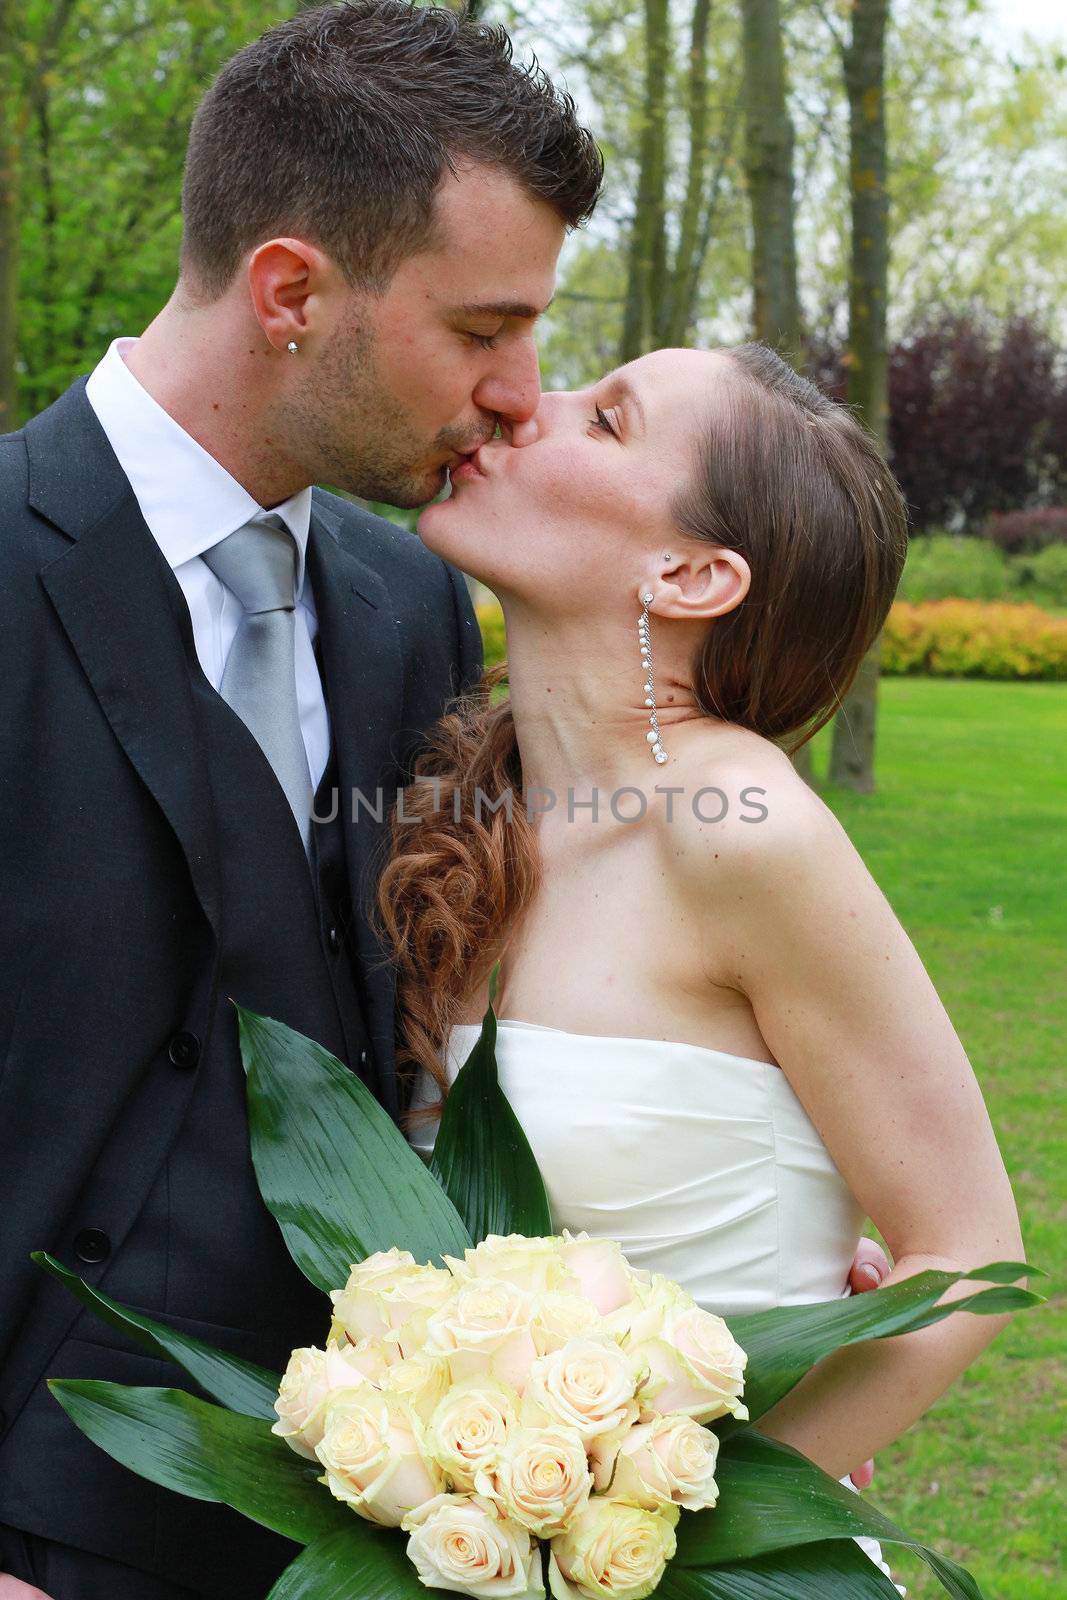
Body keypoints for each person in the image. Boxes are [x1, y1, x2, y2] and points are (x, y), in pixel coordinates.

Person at [0, 4, 603, 1597]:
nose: (519, 394)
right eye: (482, 331)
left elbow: (432, 1029)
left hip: (371, 1528)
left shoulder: (411, 604)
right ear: (289, 294)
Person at [381, 343, 1025, 1539]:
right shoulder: (468, 813)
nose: (528, 404)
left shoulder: (746, 834)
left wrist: (670, 1533)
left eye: (606, 418)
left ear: (687, 575)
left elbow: (969, 1259)